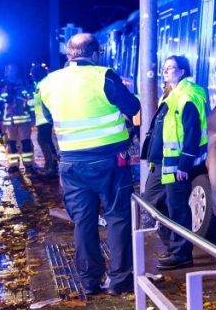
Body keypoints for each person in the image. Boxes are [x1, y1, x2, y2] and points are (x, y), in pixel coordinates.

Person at [37, 34, 140, 296]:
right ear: (96, 53)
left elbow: (46, 123)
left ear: (69, 54)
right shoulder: (103, 75)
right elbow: (132, 106)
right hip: (110, 162)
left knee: (83, 222)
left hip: (71, 163)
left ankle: (89, 282)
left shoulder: (48, 82)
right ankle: (119, 281)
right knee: (117, 218)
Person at [140, 55, 207, 270]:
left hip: (177, 165)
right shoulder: (170, 95)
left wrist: (184, 166)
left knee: (177, 209)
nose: (166, 72)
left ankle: (181, 254)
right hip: (161, 163)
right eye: (164, 68)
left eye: (171, 68)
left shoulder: (188, 95)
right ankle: (173, 247)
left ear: (183, 71)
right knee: (151, 203)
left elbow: (192, 133)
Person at [0, 63, 36, 173]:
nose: (12, 73)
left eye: (14, 70)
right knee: (10, 143)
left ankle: (28, 165)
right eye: (9, 70)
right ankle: (13, 164)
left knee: (26, 143)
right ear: (6, 71)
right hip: (8, 121)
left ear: (17, 71)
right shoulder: (0, 86)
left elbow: (31, 103)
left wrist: (33, 117)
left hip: (24, 119)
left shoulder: (26, 84)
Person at [30, 64, 58, 176]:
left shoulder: (44, 84)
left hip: (45, 118)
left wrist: (27, 102)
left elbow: (41, 100)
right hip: (43, 118)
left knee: (43, 141)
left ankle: (51, 167)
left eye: (34, 74)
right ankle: (51, 165)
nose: (32, 76)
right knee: (46, 141)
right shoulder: (42, 83)